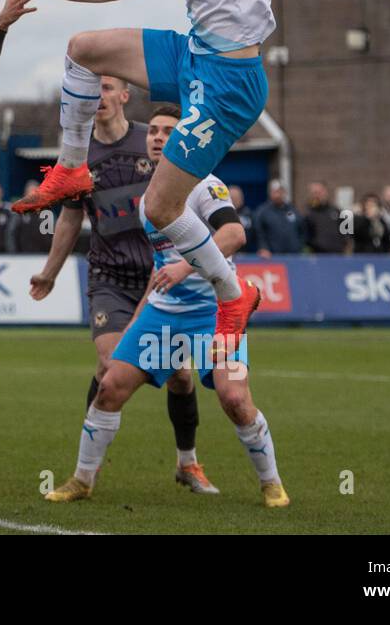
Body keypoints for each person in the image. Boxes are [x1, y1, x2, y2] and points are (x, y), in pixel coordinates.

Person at [0, 0, 271, 355]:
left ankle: (234, 293)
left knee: (159, 209)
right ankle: (72, 167)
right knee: (83, 49)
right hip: (195, 54)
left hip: (230, 79)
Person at [45, 118, 289, 509]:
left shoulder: (206, 183)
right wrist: (144, 309)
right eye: (154, 131)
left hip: (217, 312)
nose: (158, 137)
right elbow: (161, 263)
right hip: (165, 314)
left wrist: (186, 267)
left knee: (234, 399)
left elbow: (234, 235)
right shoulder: (151, 196)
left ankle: (271, 483)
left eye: (168, 132)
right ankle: (82, 480)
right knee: (109, 388)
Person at [35, 101, 217, 501]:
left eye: (106, 86)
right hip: (110, 276)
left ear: (122, 96)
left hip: (161, 275)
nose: (96, 95)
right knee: (110, 363)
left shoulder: (154, 139)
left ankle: (188, 463)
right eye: (90, 87)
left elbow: (192, 194)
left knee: (181, 376)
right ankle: (87, 471)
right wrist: (50, 271)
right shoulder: (77, 152)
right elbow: (69, 217)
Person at [253, 181, 303, 256]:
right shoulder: (262, 212)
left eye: (280, 191)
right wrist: (263, 247)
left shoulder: (293, 210)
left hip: (294, 256)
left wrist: (299, 246)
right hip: (273, 257)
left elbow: (302, 230)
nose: (277, 195)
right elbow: (259, 233)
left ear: (285, 193)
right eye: (275, 192)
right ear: (270, 193)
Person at [303, 182, 348, 254]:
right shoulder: (308, 214)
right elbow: (306, 236)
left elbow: (346, 232)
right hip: (318, 255)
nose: (317, 195)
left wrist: (344, 245)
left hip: (338, 255)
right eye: (314, 193)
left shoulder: (336, 211)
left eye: (319, 192)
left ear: (326, 192)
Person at [229, 184, 256, 253]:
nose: (235, 200)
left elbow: (256, 233)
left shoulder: (248, 214)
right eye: (232, 198)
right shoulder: (221, 214)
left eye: (237, 197)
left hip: (246, 253)